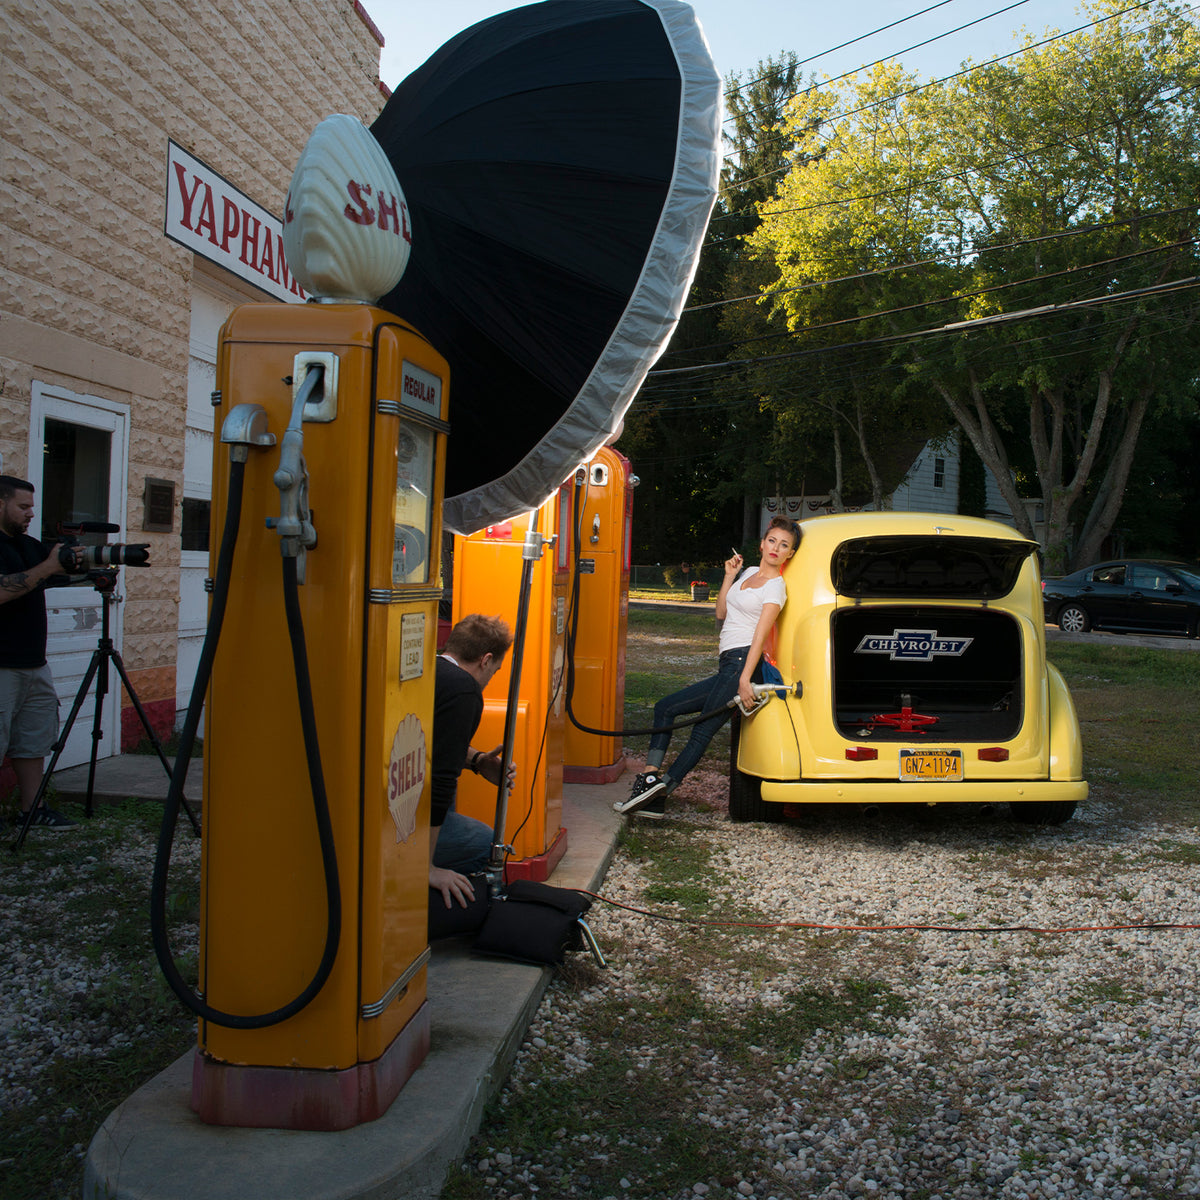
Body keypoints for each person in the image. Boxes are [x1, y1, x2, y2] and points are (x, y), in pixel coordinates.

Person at [615, 516, 801, 820]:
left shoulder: (776, 588)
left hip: (743, 663)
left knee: (702, 731)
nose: (775, 548)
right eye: (772, 541)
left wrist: (744, 680)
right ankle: (649, 781)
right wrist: (730, 575)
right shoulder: (750, 572)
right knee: (665, 707)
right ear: (762, 543)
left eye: (784, 545)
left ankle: (661, 792)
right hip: (729, 663)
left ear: (789, 554)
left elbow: (760, 636)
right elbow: (721, 612)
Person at [0, 475, 85, 830]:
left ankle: (31, 810)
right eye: (23, 506)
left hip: (34, 662)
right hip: (1, 665)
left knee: (33, 741)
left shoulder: (27, 545)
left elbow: (59, 570)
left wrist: (89, 561)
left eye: (32, 506)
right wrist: (49, 567)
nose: (30, 513)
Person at [429, 613, 516, 909]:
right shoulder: (464, 690)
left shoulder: (429, 670)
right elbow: (441, 781)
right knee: (485, 846)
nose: (491, 678)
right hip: (399, 826)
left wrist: (477, 760)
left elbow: (431, 740)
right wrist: (425, 868)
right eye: (495, 670)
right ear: (485, 659)